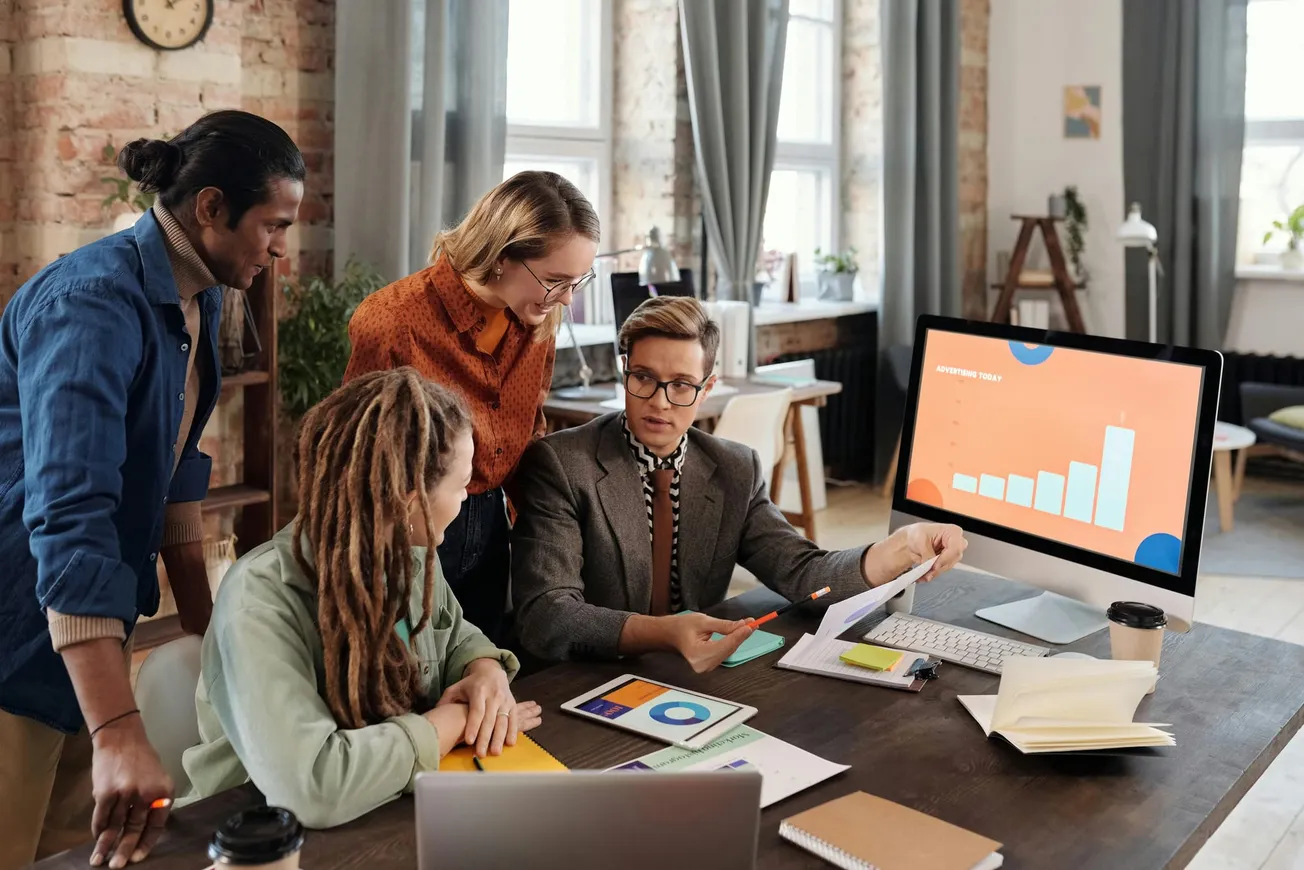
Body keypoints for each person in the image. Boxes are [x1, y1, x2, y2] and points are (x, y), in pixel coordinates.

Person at [0, 110, 305, 870]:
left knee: (75, 853)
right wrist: (117, 729)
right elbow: (73, 517)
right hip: (16, 627)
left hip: (83, 634)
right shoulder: (92, 305)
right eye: (274, 224)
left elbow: (170, 470)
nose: (281, 247)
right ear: (210, 208)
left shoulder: (196, 297)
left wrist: (209, 635)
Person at [510, 296, 969, 671]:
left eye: (682, 385)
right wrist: (661, 633)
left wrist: (898, 547)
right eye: (643, 378)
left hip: (693, 678)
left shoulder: (734, 468)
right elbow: (547, 615)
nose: (660, 402)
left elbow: (803, 573)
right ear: (624, 372)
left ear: (707, 389)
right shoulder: (562, 464)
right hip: (580, 678)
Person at [182, 369, 541, 829]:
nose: (466, 499)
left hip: (383, 818)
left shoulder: (405, 556)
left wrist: (484, 670)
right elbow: (313, 787)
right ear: (409, 501)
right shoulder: (260, 600)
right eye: (462, 485)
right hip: (249, 838)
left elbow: (453, 636)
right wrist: (449, 723)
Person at [343, 170, 599, 643]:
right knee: (410, 677)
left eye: (577, 281)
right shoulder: (393, 321)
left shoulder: (540, 316)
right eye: (556, 280)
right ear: (503, 257)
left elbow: (530, 431)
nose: (567, 298)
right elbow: (358, 463)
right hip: (409, 531)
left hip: (491, 524)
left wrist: (548, 540)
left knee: (480, 670)